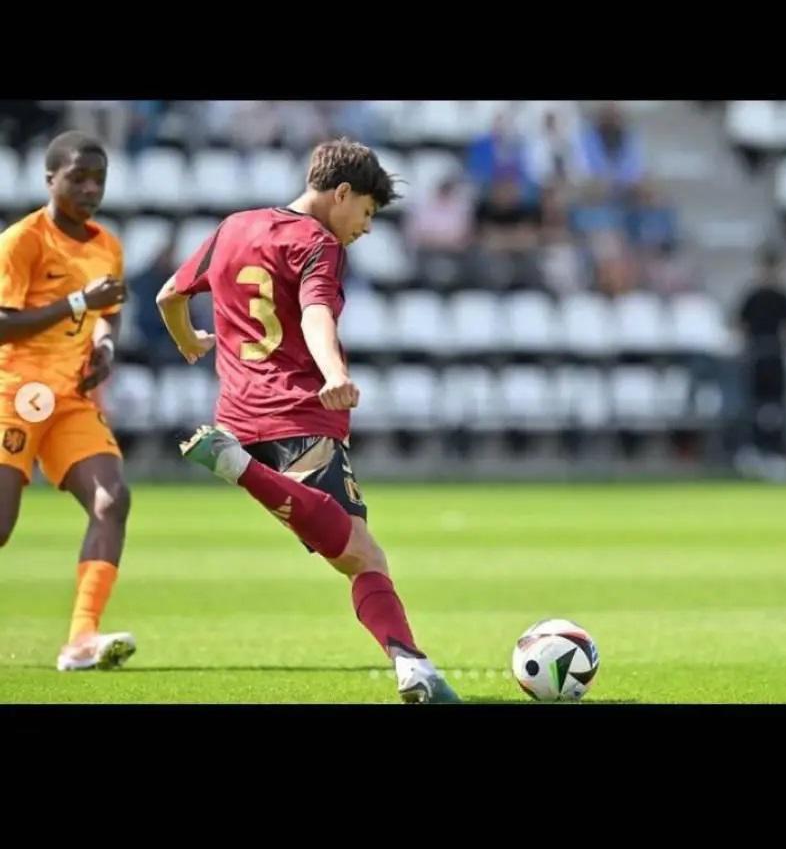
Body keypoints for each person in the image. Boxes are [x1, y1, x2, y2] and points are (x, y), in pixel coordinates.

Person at [155, 137, 459, 703]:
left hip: (236, 412)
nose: (364, 228)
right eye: (365, 212)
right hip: (297, 410)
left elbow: (169, 296)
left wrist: (191, 343)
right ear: (341, 193)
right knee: (365, 557)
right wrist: (333, 373)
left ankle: (236, 462)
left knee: (353, 550)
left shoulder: (232, 228)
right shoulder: (317, 243)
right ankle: (412, 667)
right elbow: (316, 311)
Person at [0, 131, 135, 671]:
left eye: (98, 179)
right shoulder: (22, 240)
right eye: (77, 177)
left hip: (71, 398)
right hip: (13, 391)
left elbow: (111, 311)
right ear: (49, 179)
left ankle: (81, 639)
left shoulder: (107, 245)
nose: (89, 188)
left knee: (112, 501)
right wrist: (78, 301)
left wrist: (104, 345)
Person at [735, 249, 786, 481]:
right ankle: (753, 452)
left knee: (777, 407)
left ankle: (776, 453)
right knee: (754, 406)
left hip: (775, 357)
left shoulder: (783, 297)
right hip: (756, 358)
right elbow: (739, 325)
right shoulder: (753, 296)